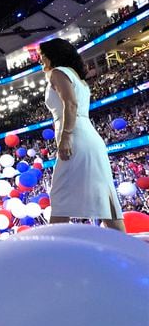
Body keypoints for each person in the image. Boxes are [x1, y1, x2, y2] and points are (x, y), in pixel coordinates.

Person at [39, 38, 125, 231]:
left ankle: (52, 247)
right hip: (89, 135)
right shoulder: (78, 78)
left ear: (52, 55)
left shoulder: (57, 73)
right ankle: (127, 246)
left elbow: (70, 104)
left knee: (60, 194)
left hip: (75, 135)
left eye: (42, 55)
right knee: (104, 194)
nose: (39, 60)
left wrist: (66, 137)